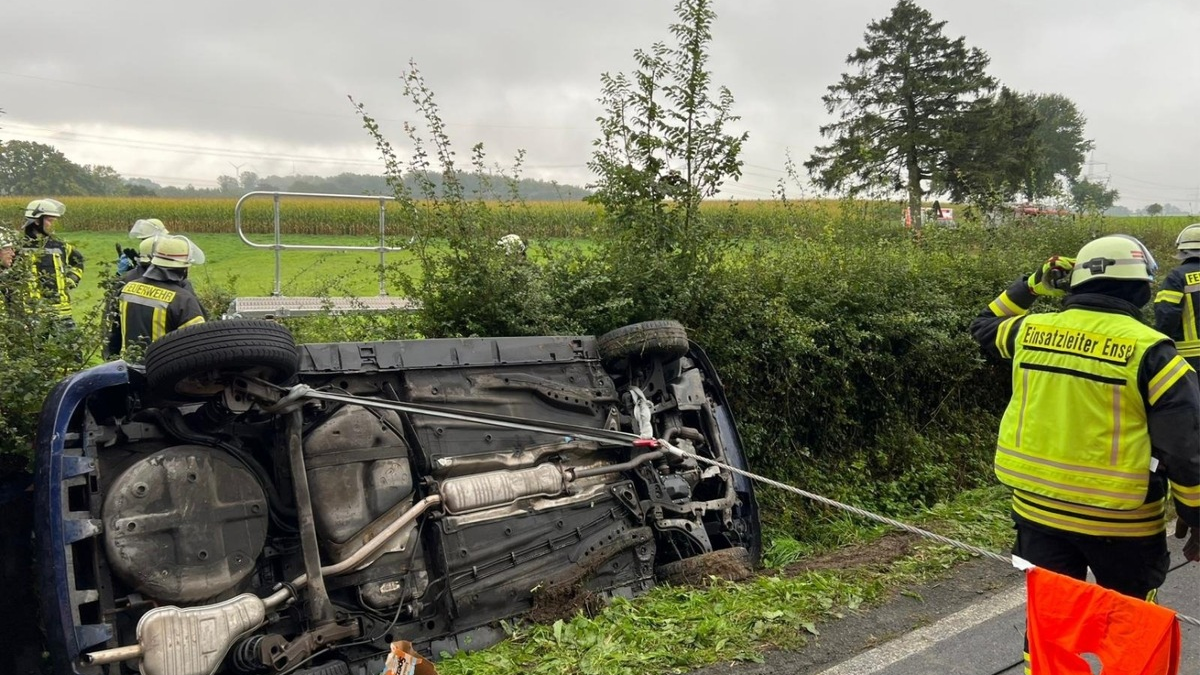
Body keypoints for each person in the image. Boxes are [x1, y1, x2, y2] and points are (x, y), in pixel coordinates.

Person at [970, 235, 1200, 666]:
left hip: (1038, 514)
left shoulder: (1029, 331)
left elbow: (983, 325)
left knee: (1050, 627)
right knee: (1129, 632)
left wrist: (1031, 286)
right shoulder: (1152, 352)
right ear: (1143, 290)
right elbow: (1185, 451)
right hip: (1123, 523)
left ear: (1073, 286)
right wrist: (1195, 516)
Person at [110, 234, 207, 356]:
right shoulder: (183, 300)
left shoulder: (128, 288)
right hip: (163, 371)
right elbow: (198, 346)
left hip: (128, 367)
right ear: (183, 268)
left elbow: (114, 334)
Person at [22, 198, 84, 328]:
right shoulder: (18, 247)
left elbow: (79, 261)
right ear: (37, 221)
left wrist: (72, 278)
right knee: (35, 349)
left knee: (70, 348)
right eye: (50, 221)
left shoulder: (61, 245)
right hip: (32, 314)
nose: (53, 225)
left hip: (62, 313)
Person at [1154, 223, 1200, 371]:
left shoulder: (1177, 277)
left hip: (1191, 360)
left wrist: (1160, 345)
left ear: (1182, 251)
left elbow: (1166, 315)